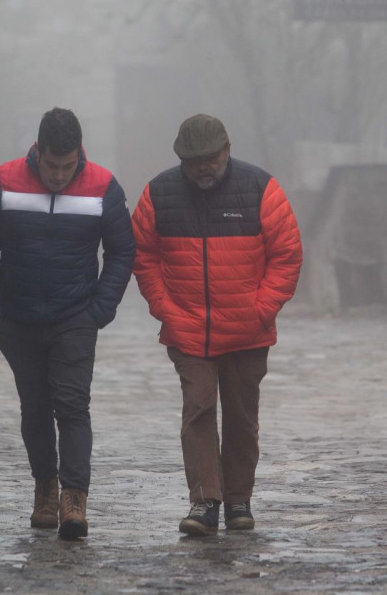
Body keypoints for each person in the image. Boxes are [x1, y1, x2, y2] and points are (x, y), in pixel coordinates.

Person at [130, 114, 303, 535]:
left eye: (210, 158)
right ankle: (206, 501)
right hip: (188, 330)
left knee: (242, 418)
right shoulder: (158, 194)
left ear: (227, 150)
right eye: (193, 161)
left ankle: (239, 500)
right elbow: (143, 256)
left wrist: (260, 309)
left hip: (248, 331)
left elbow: (287, 255)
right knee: (199, 409)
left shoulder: (262, 189)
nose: (203, 167)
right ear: (181, 160)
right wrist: (165, 308)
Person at [0, 107, 134, 540]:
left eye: (68, 165)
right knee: (35, 407)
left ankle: (74, 498)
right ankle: (45, 486)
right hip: (16, 318)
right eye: (51, 165)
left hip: (75, 316)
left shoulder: (102, 187)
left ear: (79, 153)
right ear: (37, 151)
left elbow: (122, 251)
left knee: (73, 405)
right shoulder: (1, 183)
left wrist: (100, 309)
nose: (60, 175)